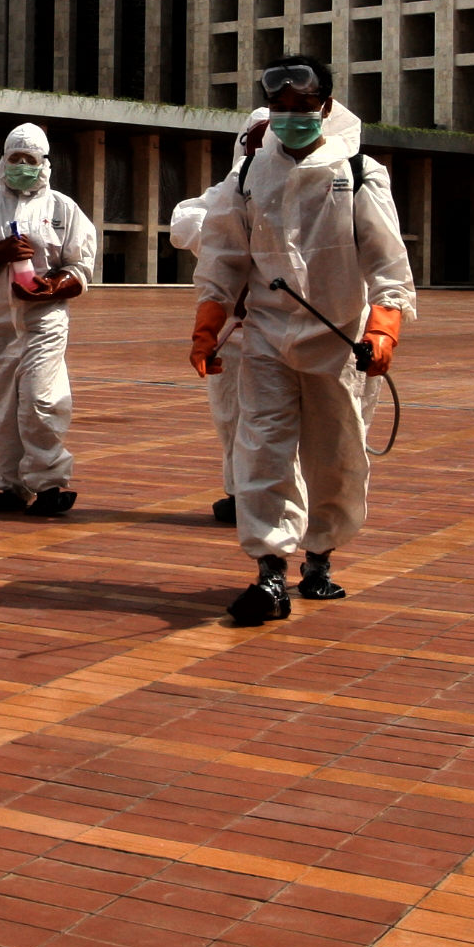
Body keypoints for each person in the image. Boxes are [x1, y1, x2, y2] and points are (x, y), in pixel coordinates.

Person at [190, 58, 413, 625]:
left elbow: (389, 263)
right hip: (265, 339)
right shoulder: (247, 177)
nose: (291, 119)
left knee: (334, 456)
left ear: (326, 108)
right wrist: (208, 323)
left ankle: (320, 558)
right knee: (261, 449)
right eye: (281, 109)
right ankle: (269, 571)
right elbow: (223, 257)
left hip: (337, 343)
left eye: (302, 108)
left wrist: (383, 327)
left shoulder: (359, 173)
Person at [0, 124, 97, 516]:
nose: (21, 166)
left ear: (44, 164)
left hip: (43, 322)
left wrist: (52, 287)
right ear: (2, 161)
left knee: (40, 399)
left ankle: (48, 483)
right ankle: (11, 485)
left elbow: (81, 267)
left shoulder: (63, 210)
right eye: (14, 158)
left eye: (29, 160)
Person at [166, 108, 270, 526]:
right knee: (230, 414)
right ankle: (237, 490)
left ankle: (271, 494)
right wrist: (230, 240)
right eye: (256, 137)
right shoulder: (229, 189)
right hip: (234, 328)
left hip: (284, 326)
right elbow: (184, 223)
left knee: (273, 418)